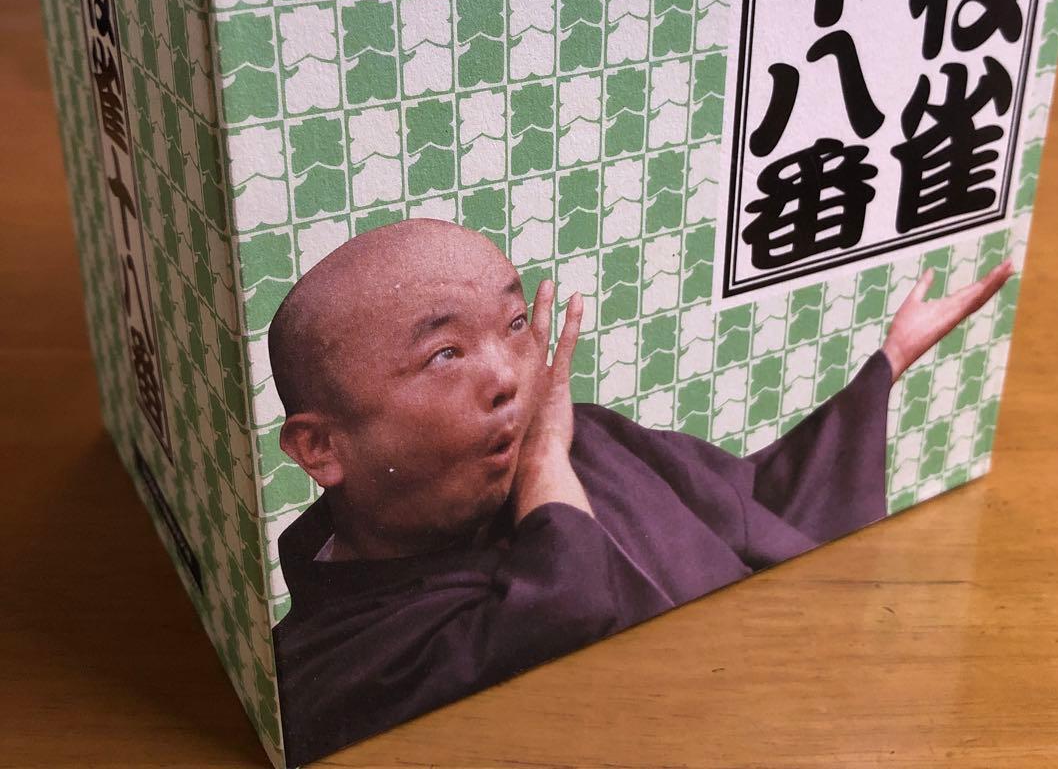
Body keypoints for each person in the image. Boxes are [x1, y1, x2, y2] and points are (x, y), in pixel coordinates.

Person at [267, 218, 1012, 766]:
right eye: (445, 354)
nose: (507, 376)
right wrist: (546, 463)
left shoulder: (582, 442)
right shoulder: (328, 668)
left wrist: (886, 362)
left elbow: (754, 497)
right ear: (320, 447)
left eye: (517, 323)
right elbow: (569, 616)